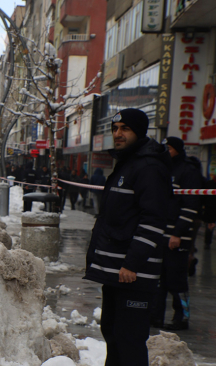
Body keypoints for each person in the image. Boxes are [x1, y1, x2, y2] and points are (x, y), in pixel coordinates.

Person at [84, 108, 172, 366]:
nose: (118, 134)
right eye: (115, 128)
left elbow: (154, 220)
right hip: (115, 271)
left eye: (125, 128)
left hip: (133, 273)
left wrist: (132, 262)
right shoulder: (128, 163)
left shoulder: (149, 167)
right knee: (112, 333)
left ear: (139, 132)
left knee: (129, 340)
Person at [150, 137, 202, 331]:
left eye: (168, 148)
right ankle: (155, 317)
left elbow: (191, 206)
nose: (165, 151)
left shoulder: (188, 172)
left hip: (177, 237)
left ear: (178, 150)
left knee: (176, 281)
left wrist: (178, 233)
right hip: (160, 235)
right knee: (158, 280)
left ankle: (182, 317)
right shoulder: (164, 169)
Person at [203, 174, 216, 250]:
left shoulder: (209, 183)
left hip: (210, 207)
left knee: (210, 226)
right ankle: (207, 242)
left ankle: (207, 242)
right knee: (209, 226)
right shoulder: (209, 184)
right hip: (210, 208)